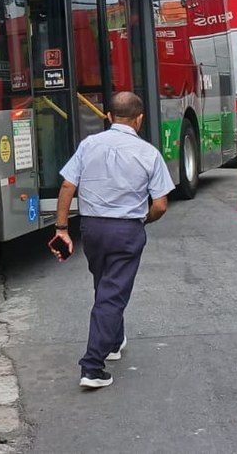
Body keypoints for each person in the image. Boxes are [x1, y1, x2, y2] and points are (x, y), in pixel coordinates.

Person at [52, 91, 174, 390]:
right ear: (140, 119)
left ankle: (114, 341)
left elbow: (68, 185)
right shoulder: (148, 153)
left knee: (105, 284)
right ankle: (92, 366)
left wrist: (61, 228)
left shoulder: (88, 144)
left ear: (108, 116)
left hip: (92, 228)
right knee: (113, 293)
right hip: (126, 229)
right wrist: (143, 220)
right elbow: (160, 205)